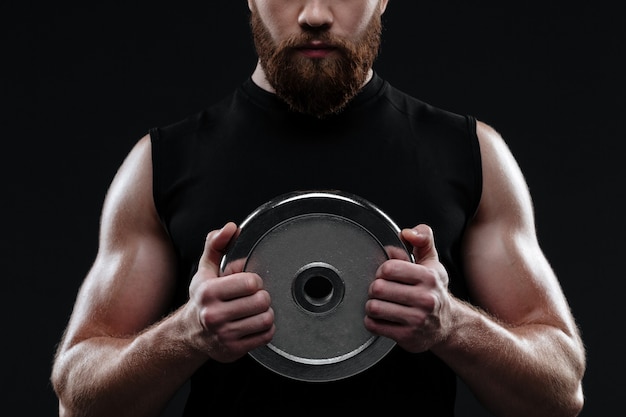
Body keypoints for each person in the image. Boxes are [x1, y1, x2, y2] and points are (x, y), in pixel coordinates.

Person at [51, 1, 586, 416]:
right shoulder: (159, 163)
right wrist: (187, 334)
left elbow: (560, 392)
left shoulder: (472, 154)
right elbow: (77, 399)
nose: (313, 15)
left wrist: (452, 325)